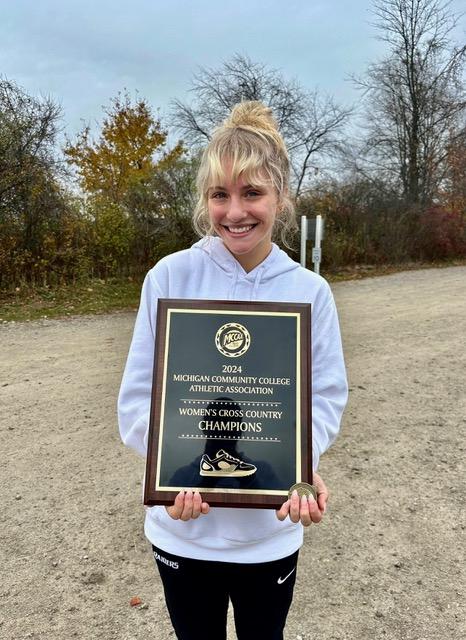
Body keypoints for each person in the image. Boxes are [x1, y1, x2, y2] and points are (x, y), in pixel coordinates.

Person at [118, 101, 348, 640]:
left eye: (252, 193)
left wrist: (298, 461)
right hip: (183, 529)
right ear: (205, 200)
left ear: (280, 198)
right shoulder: (170, 277)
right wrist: (179, 469)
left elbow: (326, 396)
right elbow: (136, 401)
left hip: (268, 535)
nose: (234, 211)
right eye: (220, 194)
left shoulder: (309, 291)